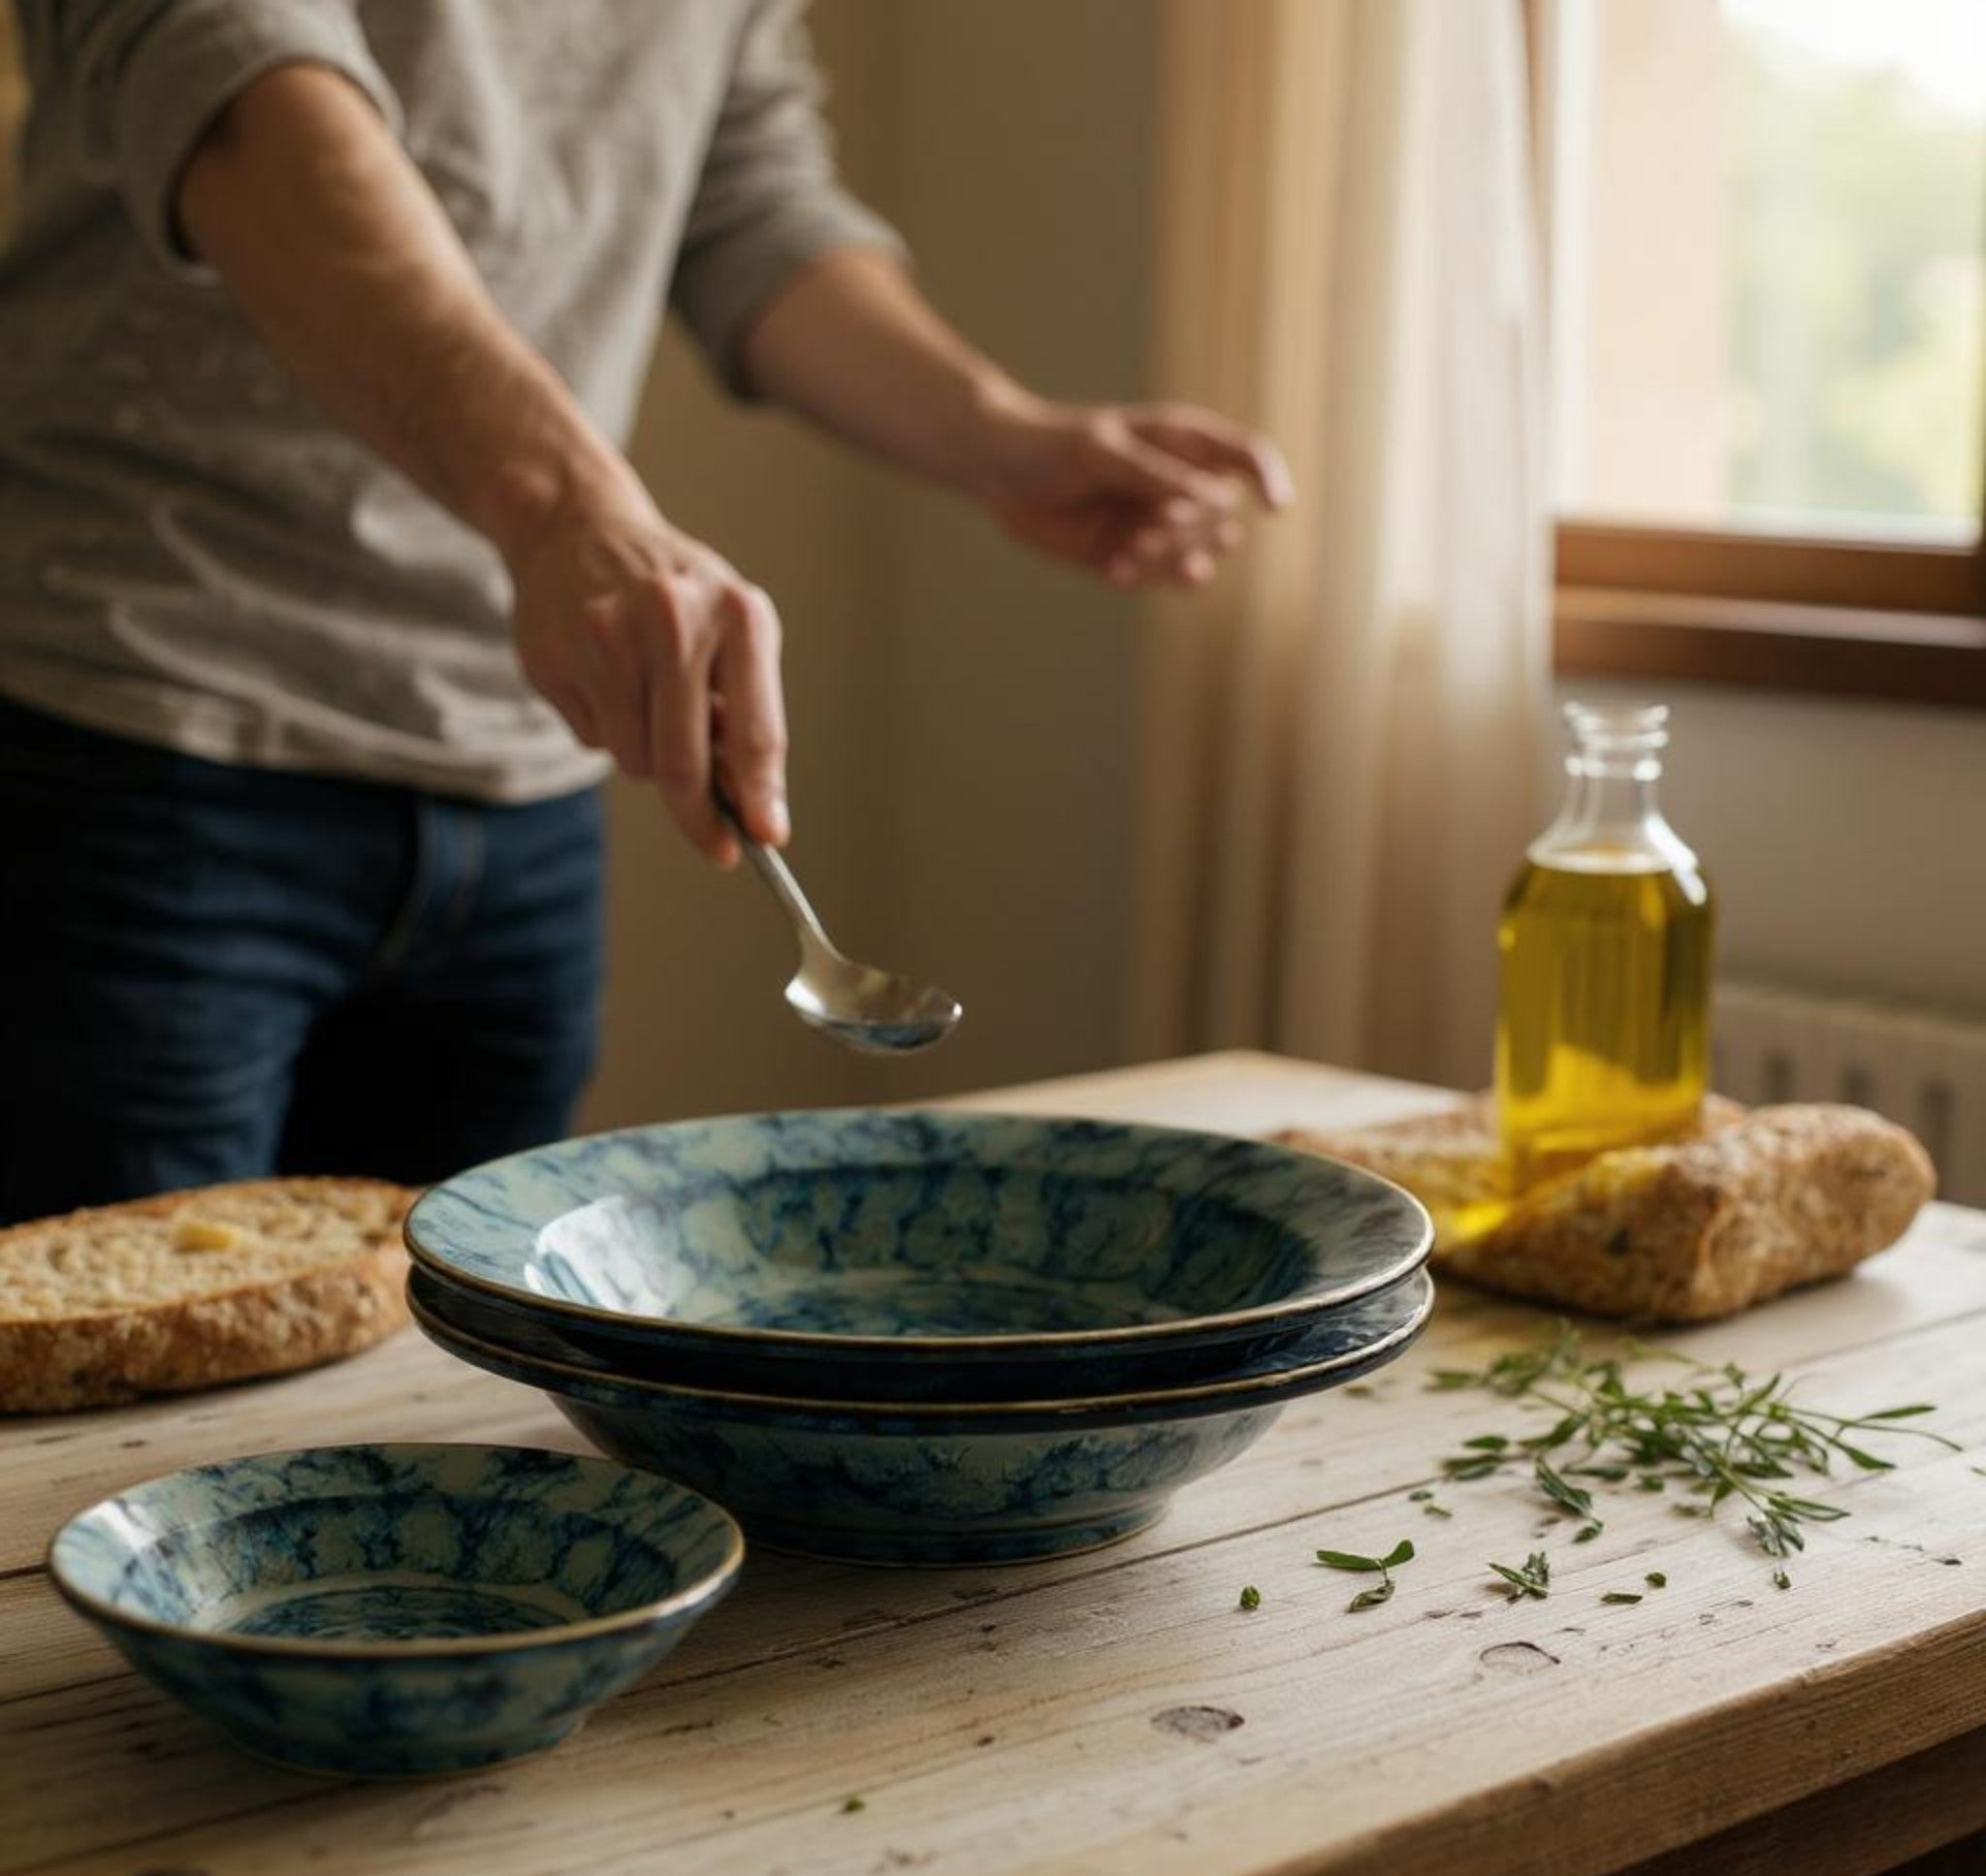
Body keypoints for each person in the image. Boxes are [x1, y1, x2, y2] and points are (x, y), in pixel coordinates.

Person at [0, 2, 1289, 1224]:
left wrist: (1001, 438)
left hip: (524, 781)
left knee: (453, 1397)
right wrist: (565, 505)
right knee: (90, 1422)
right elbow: (242, 95)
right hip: (127, 736)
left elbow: (744, 193)